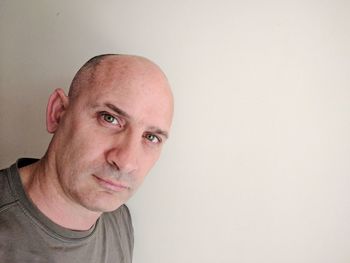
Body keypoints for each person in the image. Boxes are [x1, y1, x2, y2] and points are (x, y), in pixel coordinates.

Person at [0, 54, 174, 262]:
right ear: (58, 112)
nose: (126, 163)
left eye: (151, 137)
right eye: (109, 118)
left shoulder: (119, 219)